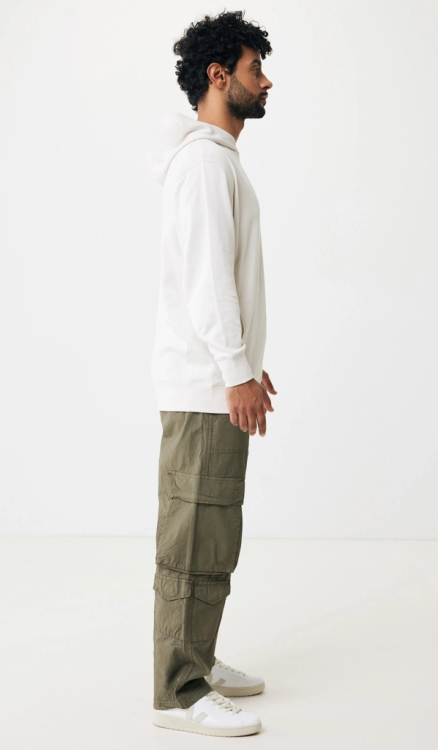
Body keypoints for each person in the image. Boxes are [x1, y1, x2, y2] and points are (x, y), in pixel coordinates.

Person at [146, 9, 277, 737]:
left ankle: (197, 657)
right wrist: (233, 370)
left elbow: (224, 278)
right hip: (202, 386)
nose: (267, 81)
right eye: (256, 69)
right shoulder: (202, 163)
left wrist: (249, 366)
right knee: (193, 535)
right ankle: (179, 691)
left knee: (214, 531)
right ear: (218, 76)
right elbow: (207, 282)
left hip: (216, 380)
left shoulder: (217, 160)